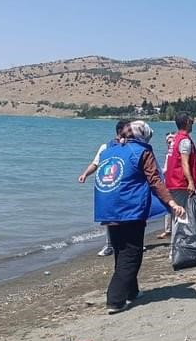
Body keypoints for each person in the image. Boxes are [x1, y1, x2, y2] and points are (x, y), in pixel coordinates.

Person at [93, 120, 185, 314]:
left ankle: (131, 292)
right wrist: (172, 202)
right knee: (132, 253)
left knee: (121, 250)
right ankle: (115, 299)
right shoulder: (142, 152)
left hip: (107, 206)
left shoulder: (109, 150)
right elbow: (155, 180)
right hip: (129, 208)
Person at [78, 119, 130, 256]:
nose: (131, 132)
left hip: (125, 186)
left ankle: (130, 243)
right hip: (110, 186)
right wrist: (85, 174)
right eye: (128, 129)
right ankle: (109, 245)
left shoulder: (131, 145)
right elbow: (95, 164)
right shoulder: (106, 147)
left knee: (127, 216)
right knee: (110, 217)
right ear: (120, 131)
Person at [164, 114, 196, 212]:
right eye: (191, 122)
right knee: (184, 215)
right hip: (181, 184)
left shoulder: (176, 139)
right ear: (187, 122)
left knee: (178, 215)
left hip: (172, 183)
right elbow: (184, 163)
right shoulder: (184, 141)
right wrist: (191, 182)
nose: (192, 124)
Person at [155, 133, 176, 239]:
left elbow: (166, 169)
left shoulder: (171, 154)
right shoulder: (169, 154)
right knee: (169, 206)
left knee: (169, 206)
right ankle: (168, 230)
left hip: (173, 183)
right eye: (168, 141)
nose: (170, 143)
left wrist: (158, 174)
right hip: (169, 183)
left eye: (171, 140)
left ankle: (170, 230)